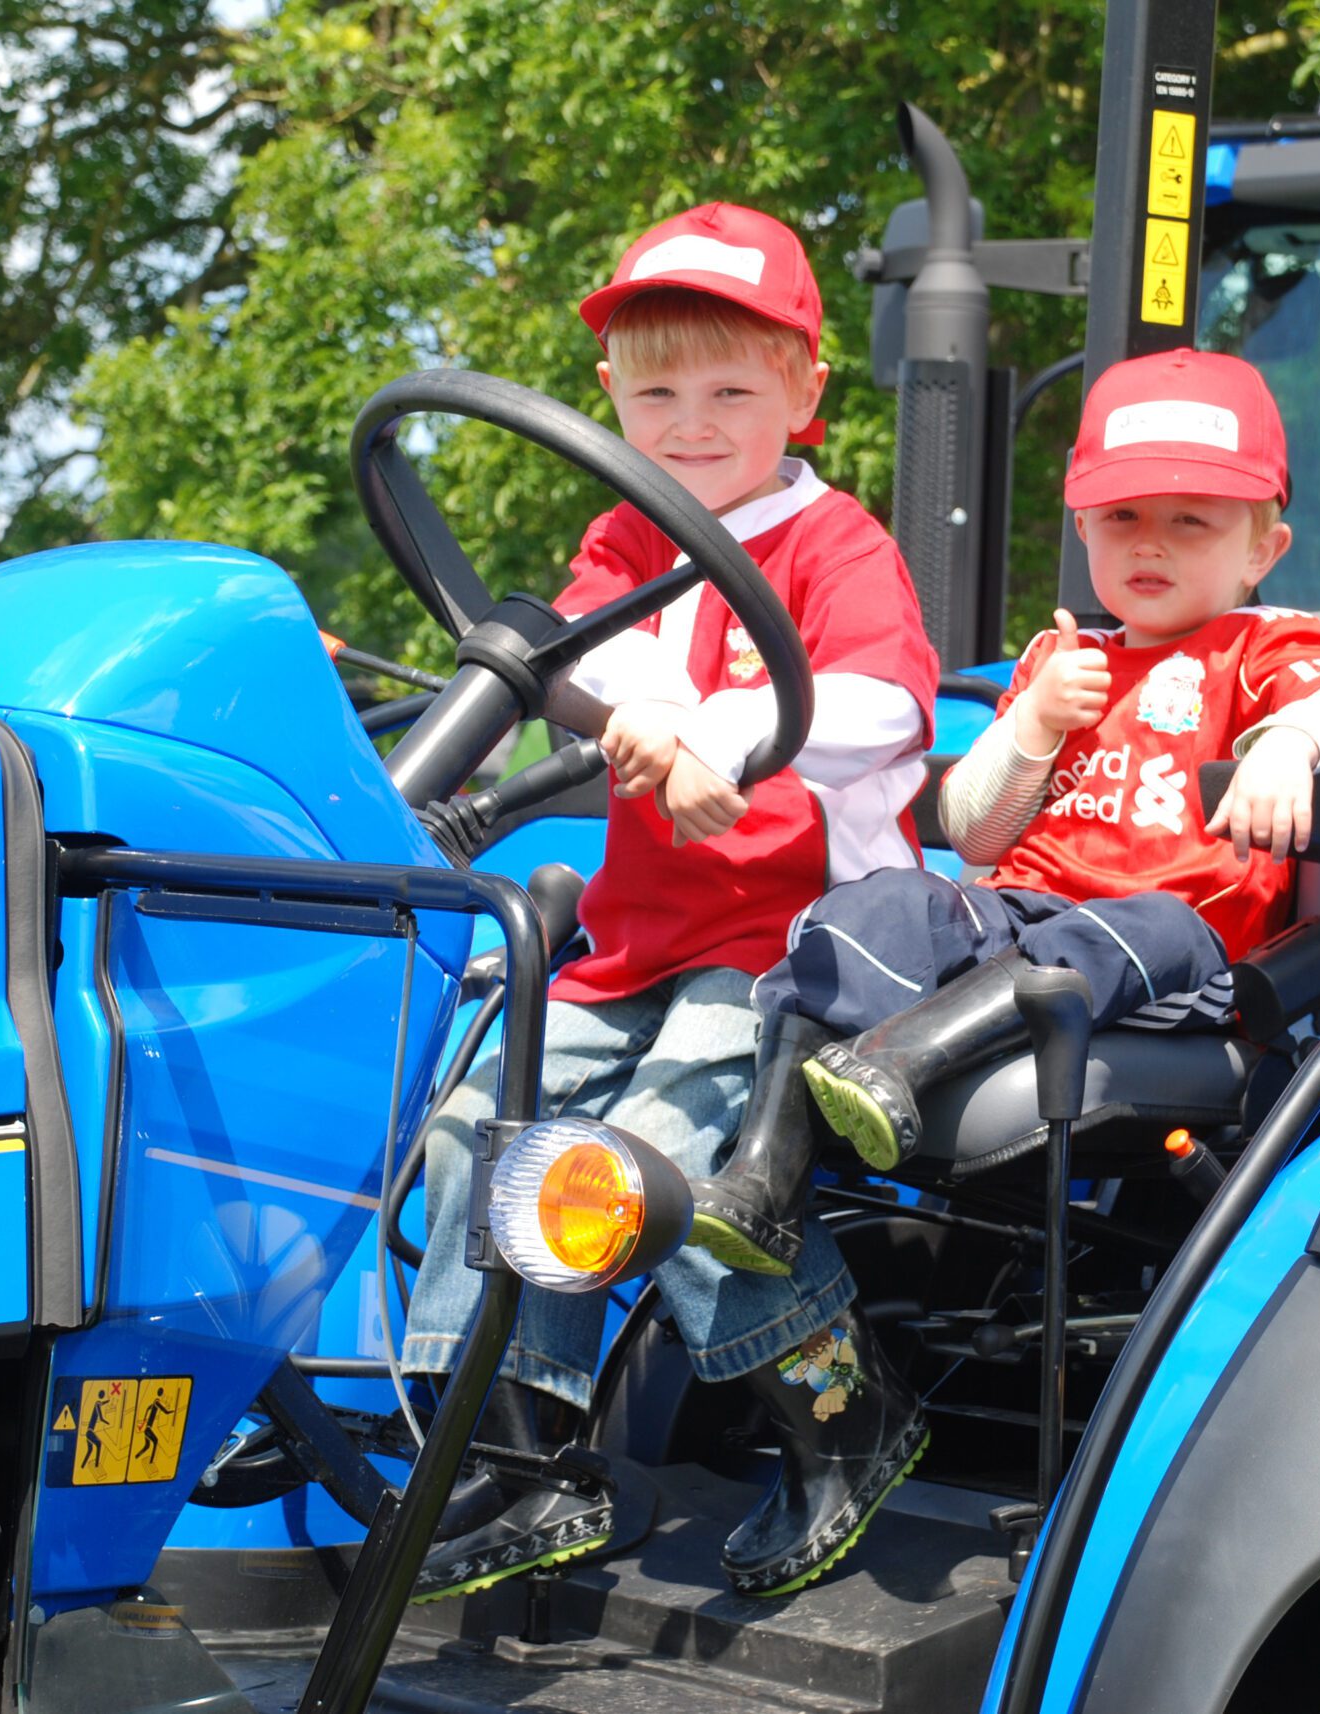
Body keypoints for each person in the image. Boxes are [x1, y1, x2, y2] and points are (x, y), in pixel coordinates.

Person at [401, 202, 942, 1602]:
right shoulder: (621, 541)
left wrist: (726, 729)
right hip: (640, 940)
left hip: (800, 943)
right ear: (608, 398)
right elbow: (583, 668)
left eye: (729, 389)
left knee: (647, 1173)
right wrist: (646, 705)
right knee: (474, 1132)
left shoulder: (833, 543)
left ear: (804, 392)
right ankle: (529, 1456)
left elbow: (884, 703)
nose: (690, 421)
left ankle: (845, 1415)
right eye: (657, 390)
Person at [685, 347, 1320, 1235]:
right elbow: (974, 835)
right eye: (1123, 514)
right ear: (1084, 528)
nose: (1149, 540)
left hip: (1175, 953)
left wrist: (1290, 745)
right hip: (1022, 918)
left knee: (1137, 927)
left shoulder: (1266, 645)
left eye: (1191, 521)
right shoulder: (1060, 658)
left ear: (1264, 547)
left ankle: (899, 1061)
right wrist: (1033, 728)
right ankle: (762, 1183)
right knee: (878, 904)